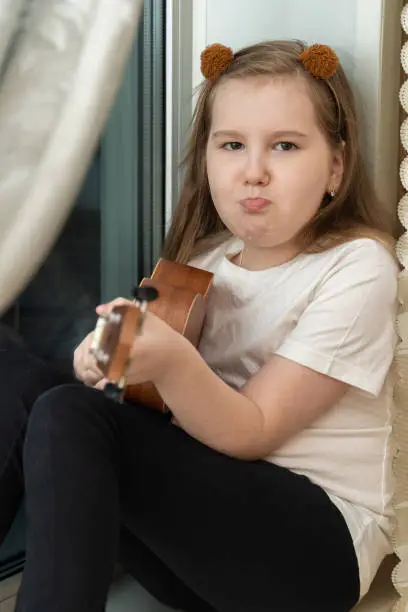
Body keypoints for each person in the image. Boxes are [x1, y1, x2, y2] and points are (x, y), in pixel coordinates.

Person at [0, 40, 398, 612]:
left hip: (312, 559)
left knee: (69, 413)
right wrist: (101, 361)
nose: (253, 171)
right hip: (202, 559)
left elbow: (252, 430)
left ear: (336, 166)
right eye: (232, 145)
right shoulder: (203, 263)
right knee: (21, 380)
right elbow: (140, 402)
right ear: (207, 157)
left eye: (284, 146)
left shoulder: (358, 265)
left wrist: (168, 360)